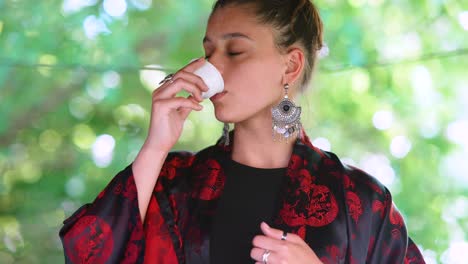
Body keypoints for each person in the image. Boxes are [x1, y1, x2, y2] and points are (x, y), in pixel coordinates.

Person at [59, 0, 426, 263]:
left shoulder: (362, 204)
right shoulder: (170, 182)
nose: (212, 67)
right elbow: (87, 253)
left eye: (234, 51)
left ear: (291, 66)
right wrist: (155, 147)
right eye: (208, 52)